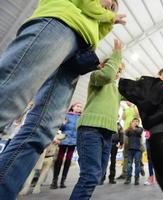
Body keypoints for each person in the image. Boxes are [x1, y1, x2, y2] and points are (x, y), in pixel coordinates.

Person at [0, 0, 126, 198]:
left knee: (42, 130)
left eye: (113, 5)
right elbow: (86, 4)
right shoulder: (99, 77)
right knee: (7, 96)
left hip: (78, 53)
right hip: (60, 23)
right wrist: (115, 46)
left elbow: (95, 31)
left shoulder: (115, 88)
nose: (111, 4)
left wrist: (107, 20)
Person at [70, 39, 124, 199]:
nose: (117, 72)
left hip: (108, 134)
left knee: (97, 175)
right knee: (90, 176)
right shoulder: (97, 77)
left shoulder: (117, 90)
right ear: (103, 66)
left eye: (120, 70)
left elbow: (135, 94)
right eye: (116, 68)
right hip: (90, 130)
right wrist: (117, 55)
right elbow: (108, 75)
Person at [50, 102, 82, 189]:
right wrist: (63, 123)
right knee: (59, 160)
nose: (79, 108)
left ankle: (62, 181)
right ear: (73, 107)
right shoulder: (67, 115)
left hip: (74, 141)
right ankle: (54, 181)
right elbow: (60, 128)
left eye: (80, 107)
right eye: (77, 106)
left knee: (68, 160)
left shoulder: (81, 117)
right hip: (64, 139)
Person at [117, 101, 141, 179]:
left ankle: (141, 166)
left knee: (138, 151)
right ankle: (124, 173)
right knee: (126, 153)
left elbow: (138, 116)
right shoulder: (126, 109)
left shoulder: (135, 107)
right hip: (126, 132)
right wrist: (124, 109)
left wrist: (134, 105)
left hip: (136, 132)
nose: (127, 101)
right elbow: (123, 118)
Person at [124, 118, 143, 185]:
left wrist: (133, 127)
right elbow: (126, 133)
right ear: (131, 122)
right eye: (134, 121)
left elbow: (138, 132)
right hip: (130, 149)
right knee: (129, 164)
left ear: (138, 123)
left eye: (137, 121)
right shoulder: (129, 129)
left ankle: (136, 179)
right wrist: (130, 126)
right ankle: (128, 179)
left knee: (137, 164)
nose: (135, 122)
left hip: (138, 149)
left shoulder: (140, 129)